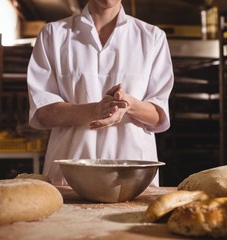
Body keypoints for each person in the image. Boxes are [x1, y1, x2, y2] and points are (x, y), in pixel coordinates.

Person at [27, 0, 174, 186]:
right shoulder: (53, 34)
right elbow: (42, 114)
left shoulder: (152, 37)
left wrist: (128, 104)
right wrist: (95, 110)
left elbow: (158, 116)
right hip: (69, 174)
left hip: (133, 176)